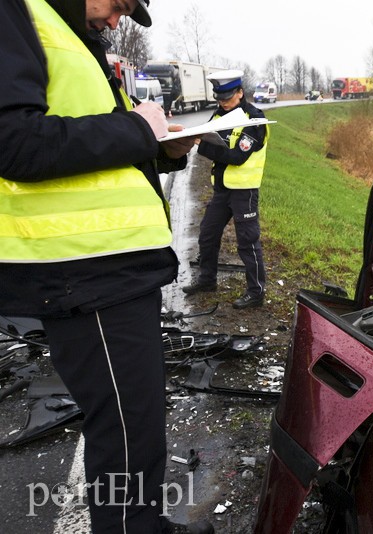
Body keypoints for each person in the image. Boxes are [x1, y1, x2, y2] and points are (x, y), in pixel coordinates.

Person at [0, 1, 207, 533]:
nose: (117, 20)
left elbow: (92, 142)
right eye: (117, 5)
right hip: (81, 269)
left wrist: (162, 148)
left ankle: (141, 524)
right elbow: (14, 141)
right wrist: (137, 130)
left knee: (133, 425)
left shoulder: (66, 31)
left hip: (104, 269)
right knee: (126, 428)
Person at [182, 69, 269, 310]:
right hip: (222, 190)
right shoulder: (220, 115)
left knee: (247, 242)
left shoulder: (254, 119)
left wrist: (202, 145)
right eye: (219, 100)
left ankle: (256, 292)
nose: (223, 104)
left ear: (240, 93)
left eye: (227, 99)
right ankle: (207, 280)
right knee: (207, 234)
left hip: (244, 192)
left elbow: (236, 157)